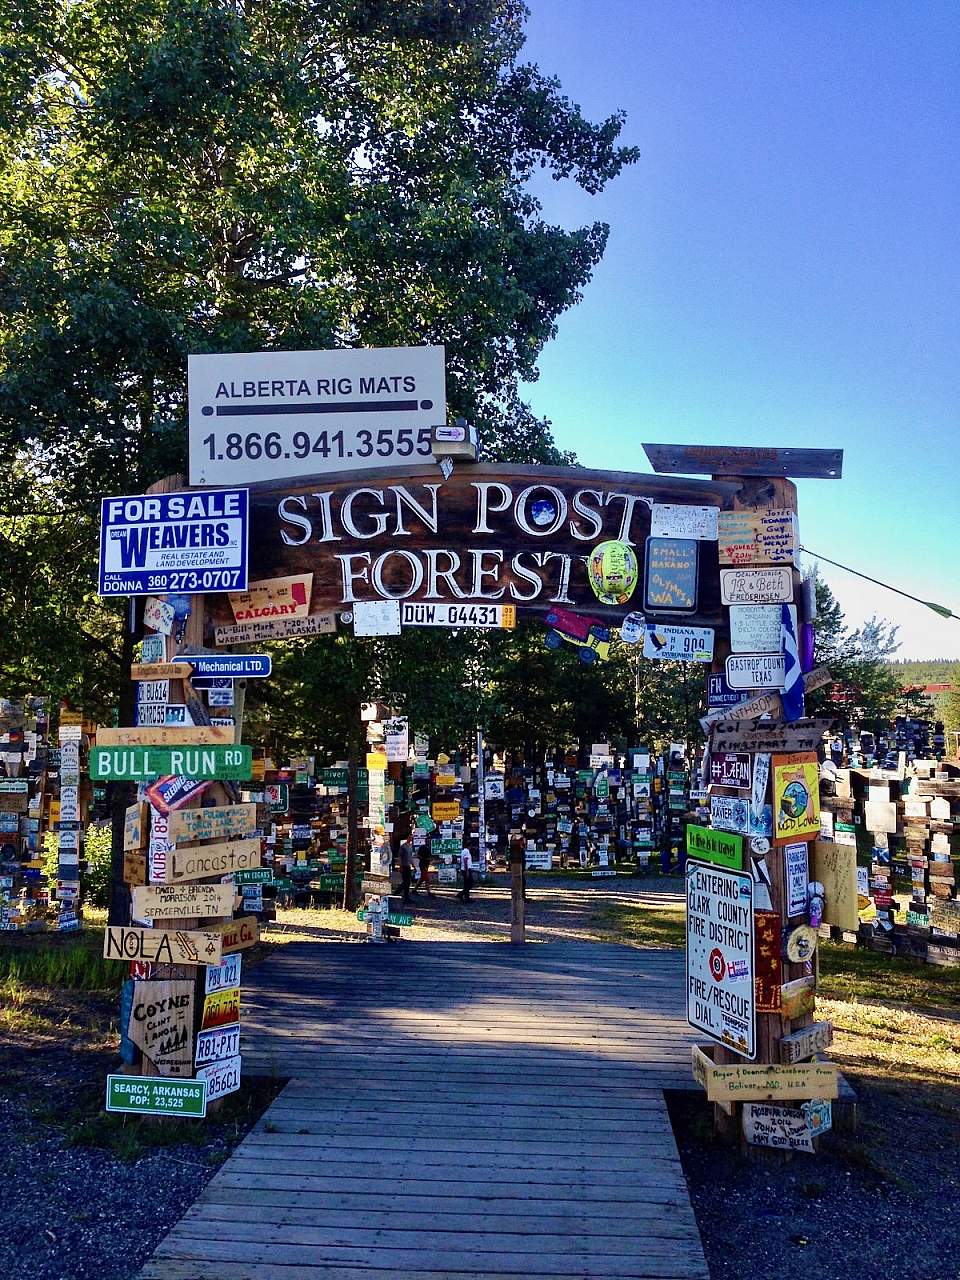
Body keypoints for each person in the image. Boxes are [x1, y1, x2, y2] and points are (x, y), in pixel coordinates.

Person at [399, 835, 415, 904]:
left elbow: (410, 857)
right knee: (406, 882)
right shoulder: (403, 846)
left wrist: (413, 865)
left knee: (408, 882)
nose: (410, 839)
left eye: (412, 838)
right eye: (410, 838)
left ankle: (404, 895)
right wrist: (400, 866)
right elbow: (399, 857)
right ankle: (405, 898)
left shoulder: (410, 846)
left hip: (408, 866)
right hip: (404, 865)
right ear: (407, 838)